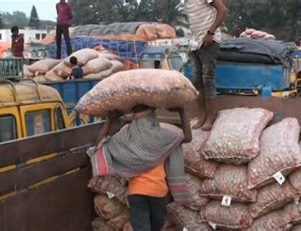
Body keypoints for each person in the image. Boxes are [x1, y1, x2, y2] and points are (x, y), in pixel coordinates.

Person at [88, 105, 192, 231]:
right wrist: (181, 112)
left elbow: (99, 145)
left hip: (136, 193)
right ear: (153, 116)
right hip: (158, 192)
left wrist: (110, 120)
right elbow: (187, 137)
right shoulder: (161, 136)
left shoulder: (126, 136)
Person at [185, 0, 228, 131]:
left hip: (209, 41)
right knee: (196, 81)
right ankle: (201, 116)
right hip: (195, 43)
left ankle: (210, 117)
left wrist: (210, 33)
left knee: (207, 79)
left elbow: (223, 10)